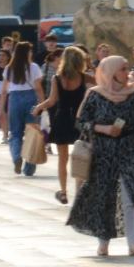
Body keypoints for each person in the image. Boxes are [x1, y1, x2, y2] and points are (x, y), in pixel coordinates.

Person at [68, 56, 134, 257]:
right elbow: (81, 122)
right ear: (110, 72)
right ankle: (103, 243)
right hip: (102, 152)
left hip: (127, 149)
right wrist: (102, 128)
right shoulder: (95, 95)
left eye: (126, 68)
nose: (126, 72)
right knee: (104, 195)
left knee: (131, 194)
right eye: (122, 69)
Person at [35, 46, 89, 204]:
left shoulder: (57, 79)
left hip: (62, 119)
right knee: (82, 156)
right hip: (79, 120)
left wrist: (39, 107)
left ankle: (64, 192)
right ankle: (80, 190)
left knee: (62, 158)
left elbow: (52, 101)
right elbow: (100, 84)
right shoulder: (84, 77)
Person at [1, 40, 44, 176]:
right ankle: (29, 168)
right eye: (30, 51)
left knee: (15, 133)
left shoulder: (9, 68)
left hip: (14, 99)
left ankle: (16, 158)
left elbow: (3, 90)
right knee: (32, 133)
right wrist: (43, 104)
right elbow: (38, 88)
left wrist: (1, 108)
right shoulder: (34, 67)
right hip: (30, 98)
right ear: (27, 53)